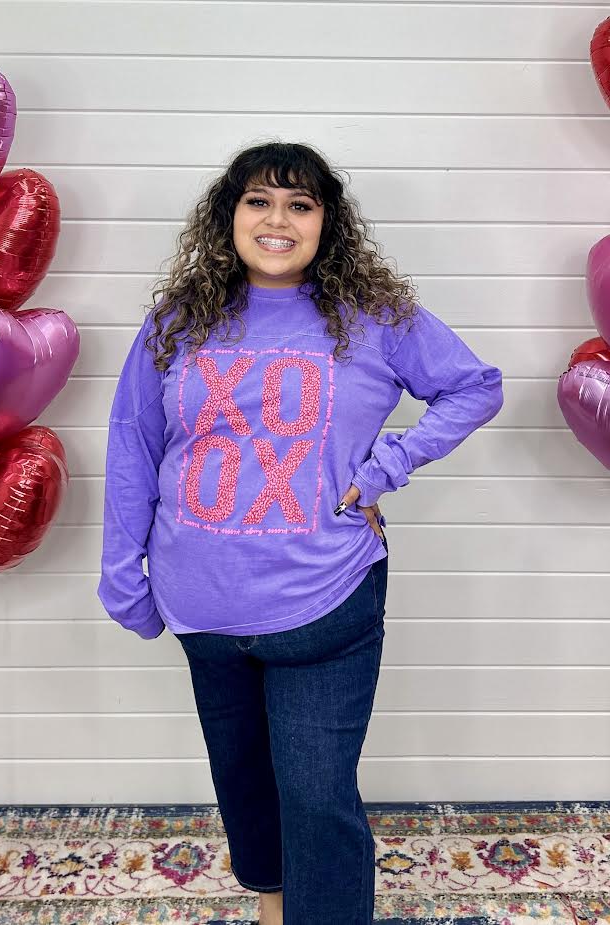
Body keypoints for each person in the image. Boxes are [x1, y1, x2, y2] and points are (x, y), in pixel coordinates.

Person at [97, 141, 504, 925]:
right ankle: (274, 902)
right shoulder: (177, 321)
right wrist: (122, 572)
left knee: (317, 799)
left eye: (299, 204)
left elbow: (473, 387)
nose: (276, 219)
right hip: (200, 603)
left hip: (325, 598)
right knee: (244, 780)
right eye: (257, 200)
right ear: (229, 215)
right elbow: (132, 444)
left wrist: (385, 466)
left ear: (326, 222)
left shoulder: (374, 318)